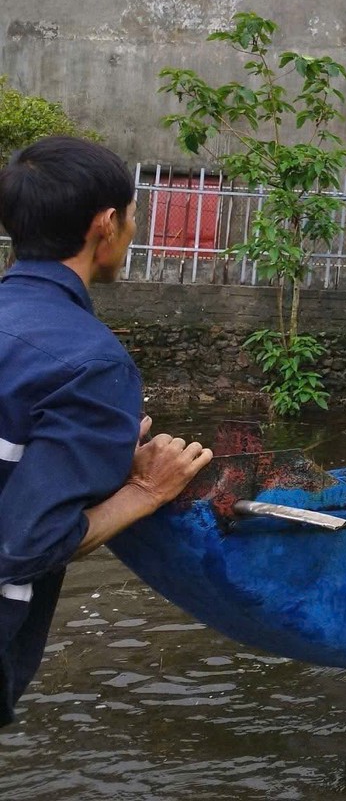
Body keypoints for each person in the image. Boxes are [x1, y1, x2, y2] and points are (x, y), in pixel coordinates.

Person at [0, 137, 213, 728]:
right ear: (106, 223)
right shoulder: (90, 363)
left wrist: (99, 450)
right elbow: (24, 545)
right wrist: (145, 491)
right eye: (133, 214)